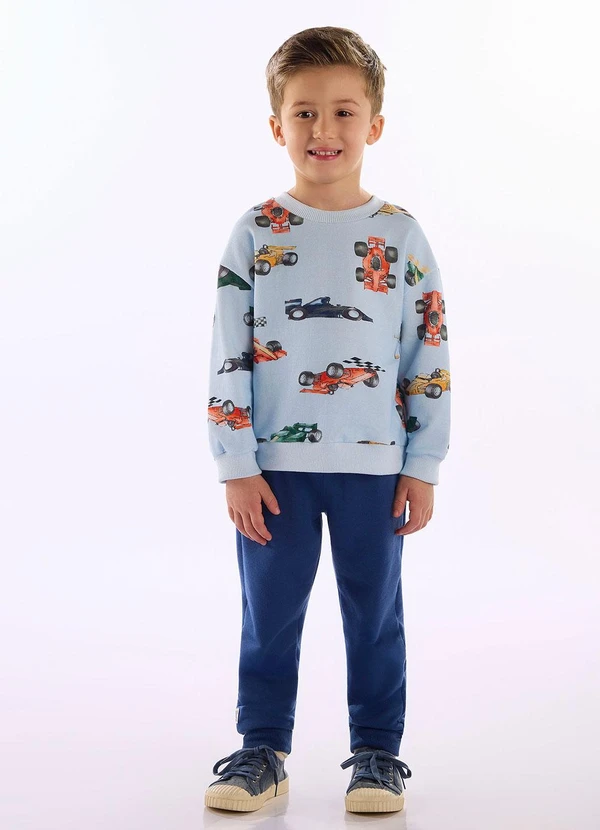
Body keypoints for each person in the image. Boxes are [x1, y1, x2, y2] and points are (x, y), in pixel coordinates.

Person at [204, 25, 451, 815]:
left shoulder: (399, 234)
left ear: (373, 124)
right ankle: (261, 750)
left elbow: (428, 351)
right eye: (304, 112)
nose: (324, 129)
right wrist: (236, 464)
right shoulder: (256, 231)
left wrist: (423, 462)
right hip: (272, 471)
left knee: (373, 615)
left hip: (375, 467)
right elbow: (228, 354)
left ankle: (377, 753)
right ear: (276, 125)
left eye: (343, 112)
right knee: (268, 616)